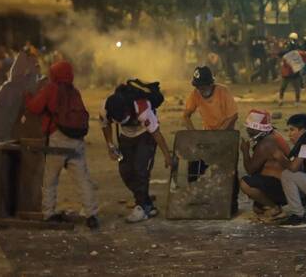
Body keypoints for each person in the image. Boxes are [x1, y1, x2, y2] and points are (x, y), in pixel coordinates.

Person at [25, 61, 99, 230]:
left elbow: (35, 108)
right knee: (82, 180)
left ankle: (48, 213)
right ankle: (91, 215)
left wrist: (27, 96)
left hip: (58, 137)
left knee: (50, 179)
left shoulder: (51, 89)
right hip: (77, 140)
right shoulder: (74, 92)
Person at [100, 81, 173, 223]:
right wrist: (110, 145)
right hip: (126, 138)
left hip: (145, 136)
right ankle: (146, 203)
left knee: (141, 170)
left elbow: (156, 133)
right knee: (125, 171)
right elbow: (105, 125)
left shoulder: (142, 108)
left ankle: (141, 206)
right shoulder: (105, 107)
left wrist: (167, 155)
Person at [183, 66, 240, 212]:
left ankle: (232, 203)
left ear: (210, 84)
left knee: (229, 170)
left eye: (202, 86)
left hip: (226, 135)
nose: (200, 90)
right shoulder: (195, 94)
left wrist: (220, 133)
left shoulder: (223, 91)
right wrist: (193, 133)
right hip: (207, 135)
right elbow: (186, 114)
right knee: (195, 164)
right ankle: (194, 196)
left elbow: (233, 115)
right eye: (198, 87)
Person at [239, 110, 290, 217]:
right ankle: (272, 204)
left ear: (257, 129)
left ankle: (275, 208)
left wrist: (245, 151)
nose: (248, 130)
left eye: (250, 129)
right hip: (285, 184)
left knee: (245, 184)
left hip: (283, 187)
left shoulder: (266, 143)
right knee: (258, 209)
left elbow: (250, 169)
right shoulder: (273, 135)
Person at [278, 33, 305, 106]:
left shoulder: (295, 47)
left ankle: (295, 101)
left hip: (292, 70)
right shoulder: (293, 47)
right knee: (285, 87)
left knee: (295, 87)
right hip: (290, 70)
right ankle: (282, 99)